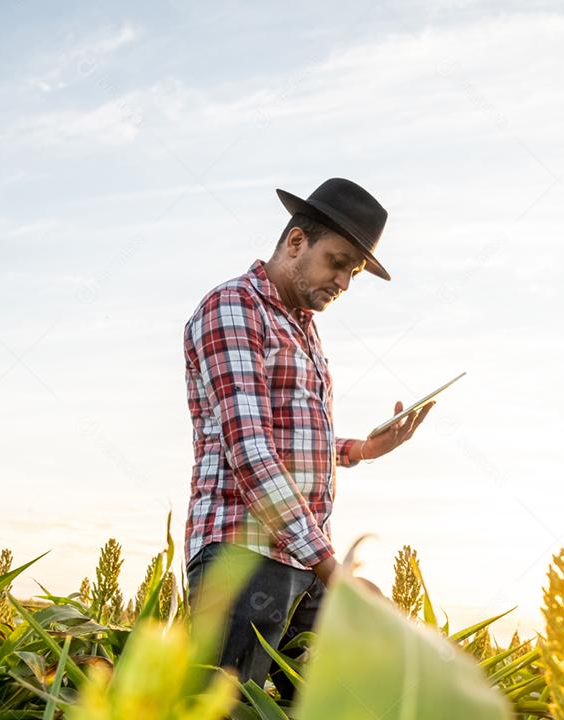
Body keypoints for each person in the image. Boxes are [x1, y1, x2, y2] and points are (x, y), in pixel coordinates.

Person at [182, 177, 433, 698]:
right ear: (296, 242)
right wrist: (334, 571)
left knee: (338, 701)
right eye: (337, 262)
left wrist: (360, 449)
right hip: (242, 556)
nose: (343, 281)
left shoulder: (303, 326)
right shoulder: (234, 309)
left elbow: (290, 434)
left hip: (300, 557)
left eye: (354, 272)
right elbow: (250, 448)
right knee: (225, 708)